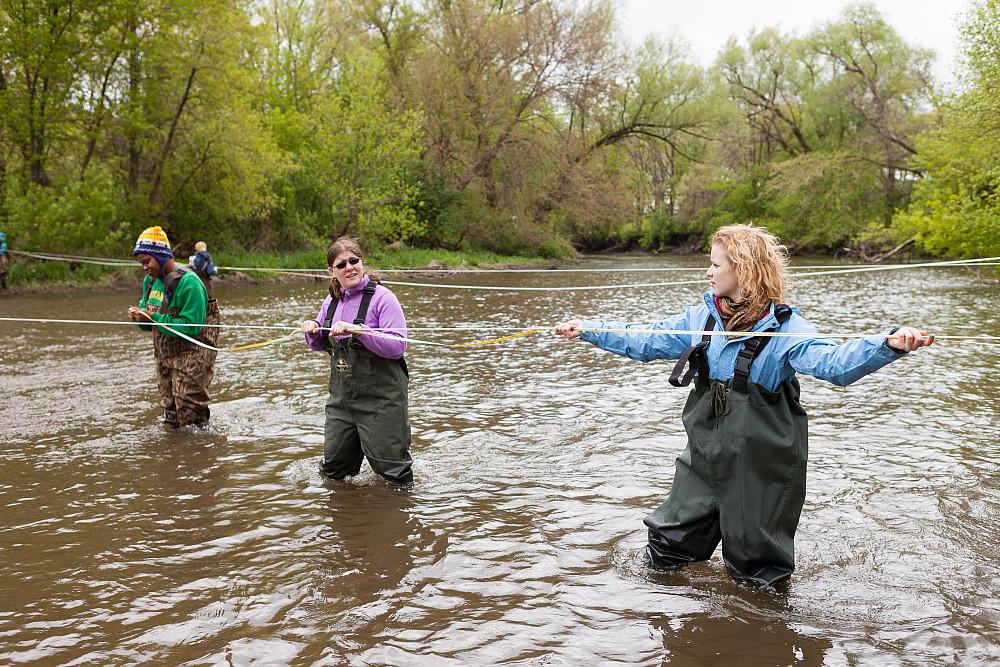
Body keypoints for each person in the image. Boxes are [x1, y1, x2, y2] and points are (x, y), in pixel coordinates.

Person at [554, 223, 933, 586]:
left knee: (757, 573)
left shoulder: (788, 330)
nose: (708, 273)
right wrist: (589, 329)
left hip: (761, 466)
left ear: (744, 269)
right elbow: (646, 339)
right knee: (666, 550)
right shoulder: (702, 318)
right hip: (703, 459)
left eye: (715, 264)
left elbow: (834, 364)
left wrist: (888, 344)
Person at [300, 236, 413, 486]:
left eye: (354, 261)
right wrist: (312, 331)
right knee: (334, 472)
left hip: (382, 402)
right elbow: (320, 344)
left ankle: (397, 517)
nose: (349, 267)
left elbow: (398, 346)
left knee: (394, 475)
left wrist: (360, 331)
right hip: (341, 403)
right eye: (341, 265)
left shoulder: (383, 298)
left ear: (362, 262)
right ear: (332, 271)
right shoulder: (331, 301)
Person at [127, 226, 221, 427]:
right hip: (164, 357)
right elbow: (149, 325)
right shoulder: (150, 282)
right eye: (141, 263)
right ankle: (174, 454)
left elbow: (191, 327)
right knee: (170, 413)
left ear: (160, 257)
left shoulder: (190, 284)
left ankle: (200, 455)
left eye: (147, 261)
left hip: (192, 355)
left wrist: (153, 318)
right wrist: (140, 318)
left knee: (191, 415)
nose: (144, 267)